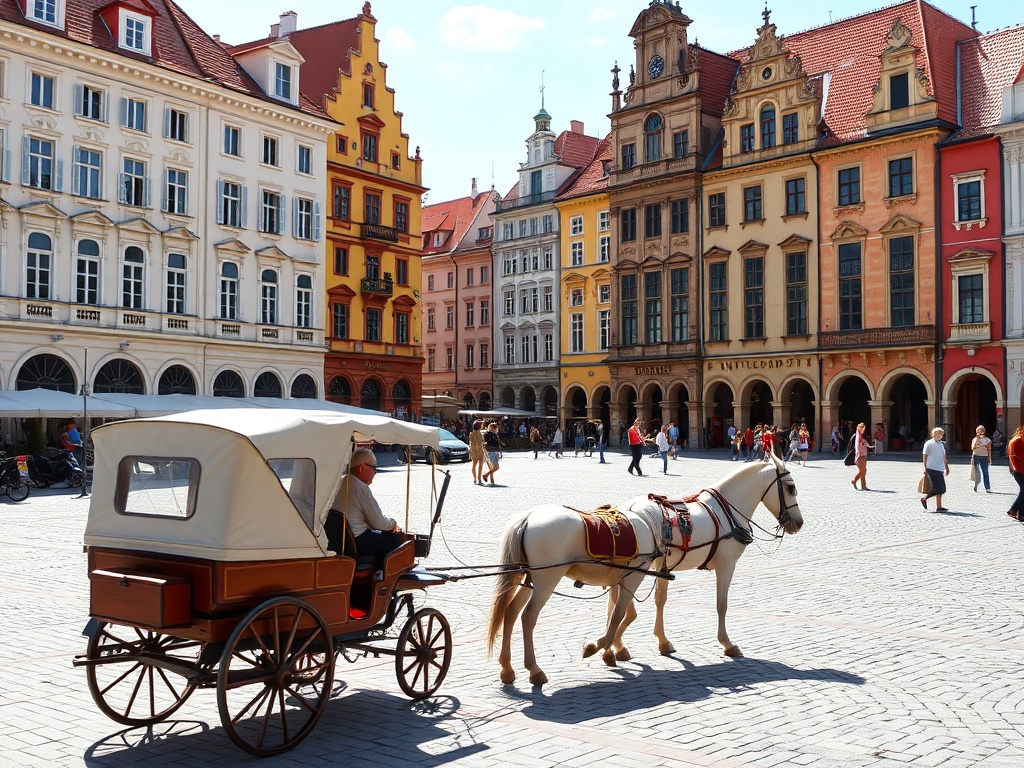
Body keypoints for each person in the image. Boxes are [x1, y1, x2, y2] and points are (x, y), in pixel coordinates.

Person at [333, 449, 402, 564]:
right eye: (374, 468)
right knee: (394, 539)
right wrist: (393, 523)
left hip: (341, 540)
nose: (375, 472)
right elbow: (378, 523)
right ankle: (380, 576)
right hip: (357, 541)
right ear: (362, 468)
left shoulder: (342, 482)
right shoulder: (360, 487)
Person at [920, 427, 950, 511]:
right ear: (934, 434)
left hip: (940, 468)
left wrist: (947, 468)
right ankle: (924, 499)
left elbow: (944, 457)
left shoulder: (941, 444)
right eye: (939, 434)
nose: (941, 436)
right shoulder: (929, 443)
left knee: (942, 488)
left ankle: (939, 506)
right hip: (931, 467)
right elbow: (925, 456)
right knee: (938, 488)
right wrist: (924, 467)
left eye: (942, 434)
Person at [1007, 426, 1024, 520]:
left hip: (1020, 468)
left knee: (1023, 490)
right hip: (1019, 470)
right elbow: (1013, 456)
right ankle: (1021, 514)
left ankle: (1013, 510)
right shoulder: (1017, 441)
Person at [970, 425, 992, 493]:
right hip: (976, 456)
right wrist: (977, 439)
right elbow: (972, 447)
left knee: (985, 472)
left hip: (984, 456)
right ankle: (976, 485)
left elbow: (989, 449)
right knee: (976, 472)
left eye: (982, 430)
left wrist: (989, 457)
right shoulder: (974, 439)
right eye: (979, 430)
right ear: (977, 431)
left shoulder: (987, 440)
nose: (981, 431)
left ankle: (987, 488)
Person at [850, 422, 872, 491]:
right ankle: (863, 485)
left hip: (863, 454)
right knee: (863, 470)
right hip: (860, 455)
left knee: (863, 470)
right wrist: (858, 453)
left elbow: (864, 443)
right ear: (860, 428)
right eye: (863, 428)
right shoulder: (858, 435)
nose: (864, 430)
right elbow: (857, 446)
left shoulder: (861, 436)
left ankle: (855, 482)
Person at [469, 420, 486, 484]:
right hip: (475, 451)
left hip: (479, 451)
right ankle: (475, 478)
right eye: (481, 425)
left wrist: (483, 443)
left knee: (480, 465)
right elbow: (472, 443)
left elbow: (482, 441)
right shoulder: (472, 433)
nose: (482, 426)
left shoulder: (480, 433)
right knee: (474, 465)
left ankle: (478, 478)